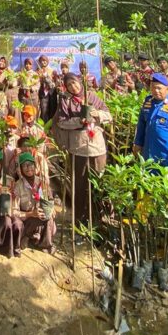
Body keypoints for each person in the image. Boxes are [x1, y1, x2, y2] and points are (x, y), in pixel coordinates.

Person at [53, 72, 110, 226]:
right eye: (69, 85)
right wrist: (79, 121)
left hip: (97, 147)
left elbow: (108, 115)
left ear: (80, 81)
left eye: (75, 82)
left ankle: (100, 218)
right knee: (79, 184)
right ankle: (80, 219)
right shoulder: (66, 101)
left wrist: (97, 114)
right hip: (78, 148)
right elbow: (61, 122)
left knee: (98, 182)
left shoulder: (92, 96)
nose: (73, 87)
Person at [12, 152, 55, 252]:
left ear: (35, 166)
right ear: (21, 169)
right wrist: (31, 214)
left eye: (31, 164)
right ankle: (28, 236)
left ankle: (45, 244)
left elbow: (50, 200)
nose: (28, 168)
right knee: (25, 223)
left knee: (49, 220)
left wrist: (51, 209)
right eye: (24, 165)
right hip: (27, 220)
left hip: (42, 217)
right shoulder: (18, 186)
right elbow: (14, 212)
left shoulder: (42, 182)